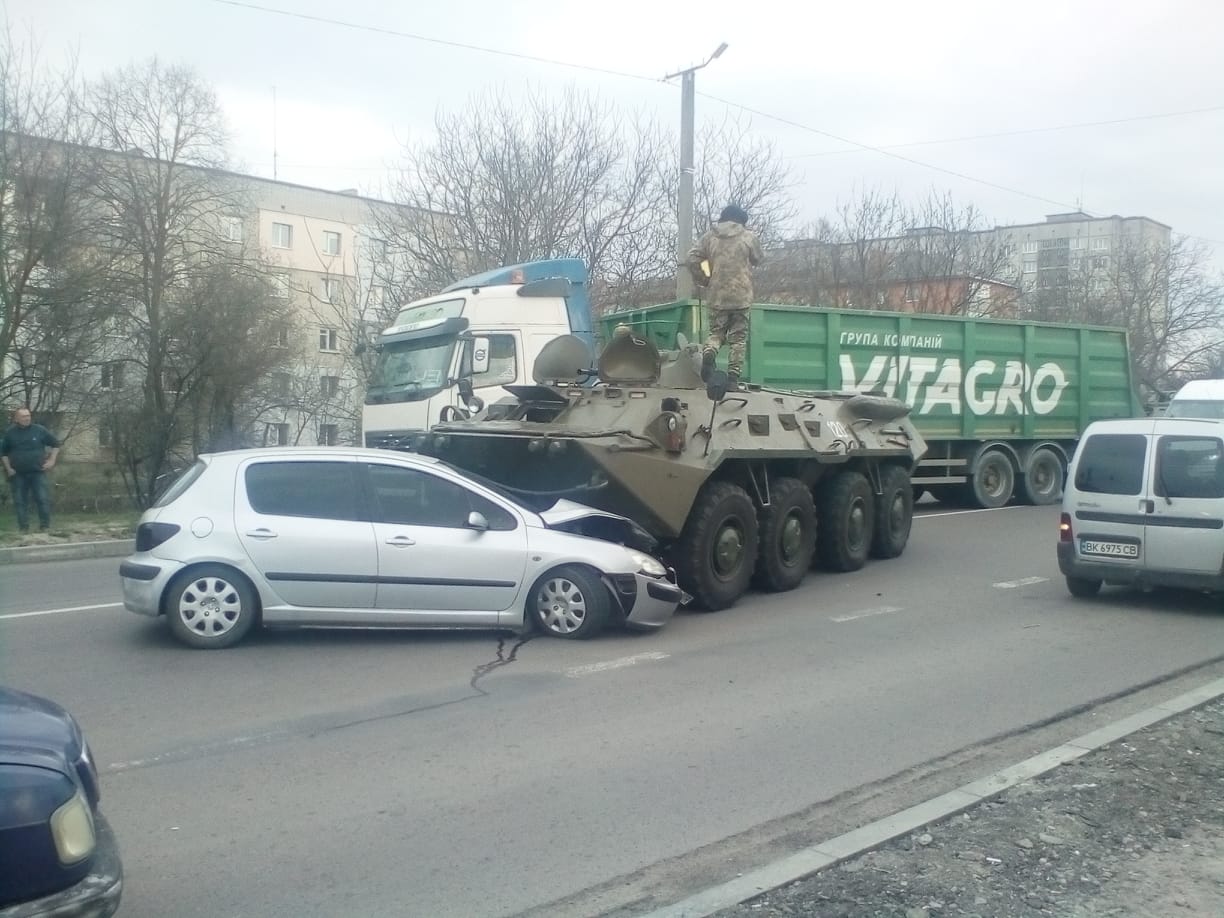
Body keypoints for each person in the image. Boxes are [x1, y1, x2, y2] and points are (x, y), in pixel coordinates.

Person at [686, 204, 765, 390]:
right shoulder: (748, 236)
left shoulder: (709, 237)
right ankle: (732, 380)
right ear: (741, 221)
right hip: (741, 296)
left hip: (717, 295)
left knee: (716, 333)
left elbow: (691, 258)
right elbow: (759, 259)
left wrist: (704, 278)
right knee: (738, 338)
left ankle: (709, 353)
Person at [1, 407, 61, 533]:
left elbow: (56, 444)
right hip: (18, 473)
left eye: (28, 415)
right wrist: (9, 468)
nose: (27, 418)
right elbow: (4, 453)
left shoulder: (39, 430)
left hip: (37, 472)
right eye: (23, 416)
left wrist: (52, 460)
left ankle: (45, 526)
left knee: (42, 498)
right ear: (16, 418)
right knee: (20, 501)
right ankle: (24, 528)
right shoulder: (10, 433)